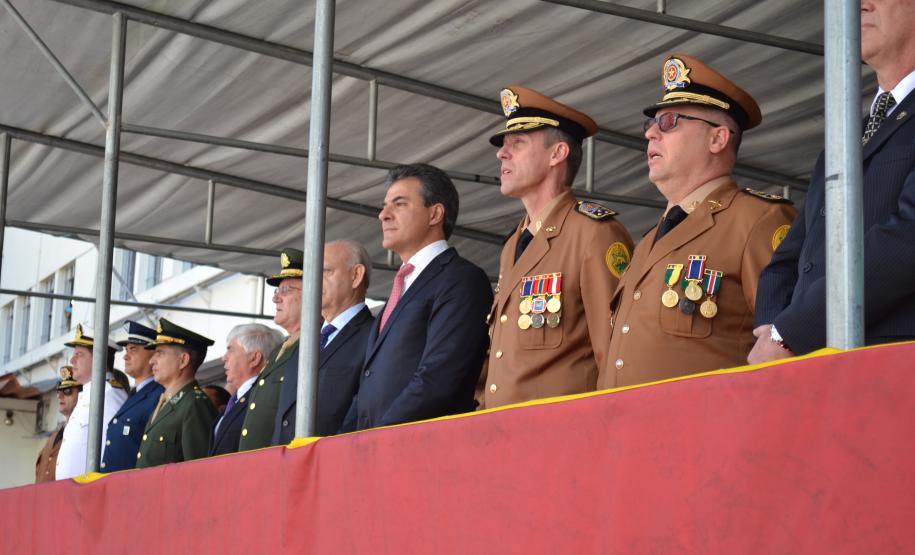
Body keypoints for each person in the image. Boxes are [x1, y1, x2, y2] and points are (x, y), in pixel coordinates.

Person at [598, 53, 797, 389]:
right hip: (620, 434)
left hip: (709, 435)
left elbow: (785, 343)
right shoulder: (648, 241)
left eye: (670, 122)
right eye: (651, 124)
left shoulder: (758, 220)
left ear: (717, 139)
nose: (651, 135)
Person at [750, 0, 915, 362]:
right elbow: (795, 251)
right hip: (819, 363)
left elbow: (906, 239)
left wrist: (790, 333)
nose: (857, 4)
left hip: (893, 366)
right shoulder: (848, 133)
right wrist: (770, 325)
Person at [476, 86, 634, 409]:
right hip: (500, 436)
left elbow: (614, 353)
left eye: (517, 143)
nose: (501, 154)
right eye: (503, 146)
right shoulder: (513, 245)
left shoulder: (593, 234)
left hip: (564, 440)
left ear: (557, 154)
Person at [341, 164, 492, 431]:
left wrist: (376, 438)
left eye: (399, 204)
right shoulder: (404, 285)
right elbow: (369, 384)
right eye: (385, 205)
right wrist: (345, 443)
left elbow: (437, 378)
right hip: (377, 453)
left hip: (422, 449)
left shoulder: (462, 280)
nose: (383, 215)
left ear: (435, 213)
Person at [274, 240, 374, 442]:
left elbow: (363, 414)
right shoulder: (306, 342)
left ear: (356, 276)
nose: (312, 282)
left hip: (331, 465)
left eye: (324, 272)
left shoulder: (375, 336)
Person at [238, 248, 304, 451]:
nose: (276, 299)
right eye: (277, 291)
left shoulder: (314, 346)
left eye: (286, 291)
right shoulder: (279, 350)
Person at [135, 318, 218, 468]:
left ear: (183, 360)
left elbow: (197, 470)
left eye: (159, 353)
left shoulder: (194, 404)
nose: (151, 361)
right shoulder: (167, 402)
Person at [56, 325, 128, 479]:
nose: (72, 360)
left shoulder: (109, 394)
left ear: (98, 358)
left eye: (79, 354)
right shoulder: (90, 392)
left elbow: (115, 451)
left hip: (90, 492)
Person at [210, 324, 283, 456]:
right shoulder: (236, 401)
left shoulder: (263, 400)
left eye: (230, 350)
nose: (224, 358)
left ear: (254, 358)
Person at [101, 321, 164, 472]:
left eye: (133, 350)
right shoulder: (135, 394)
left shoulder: (158, 395)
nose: (125, 357)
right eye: (126, 350)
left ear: (153, 355)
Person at [35, 367, 82, 483]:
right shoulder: (55, 436)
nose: (59, 396)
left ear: (82, 394)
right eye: (58, 391)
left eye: (67, 391)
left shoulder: (84, 433)